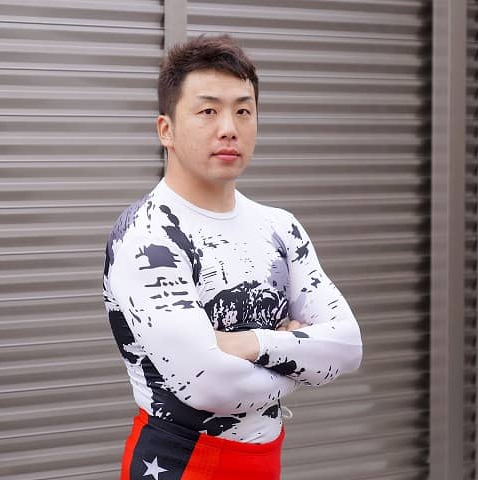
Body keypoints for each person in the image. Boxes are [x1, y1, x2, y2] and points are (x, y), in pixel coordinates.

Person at [102, 34, 363, 480]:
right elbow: (209, 384)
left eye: (243, 111)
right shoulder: (147, 236)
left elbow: (348, 346)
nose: (229, 128)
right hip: (180, 462)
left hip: (264, 461)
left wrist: (250, 343)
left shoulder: (280, 227)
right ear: (166, 130)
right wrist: (300, 362)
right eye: (208, 111)